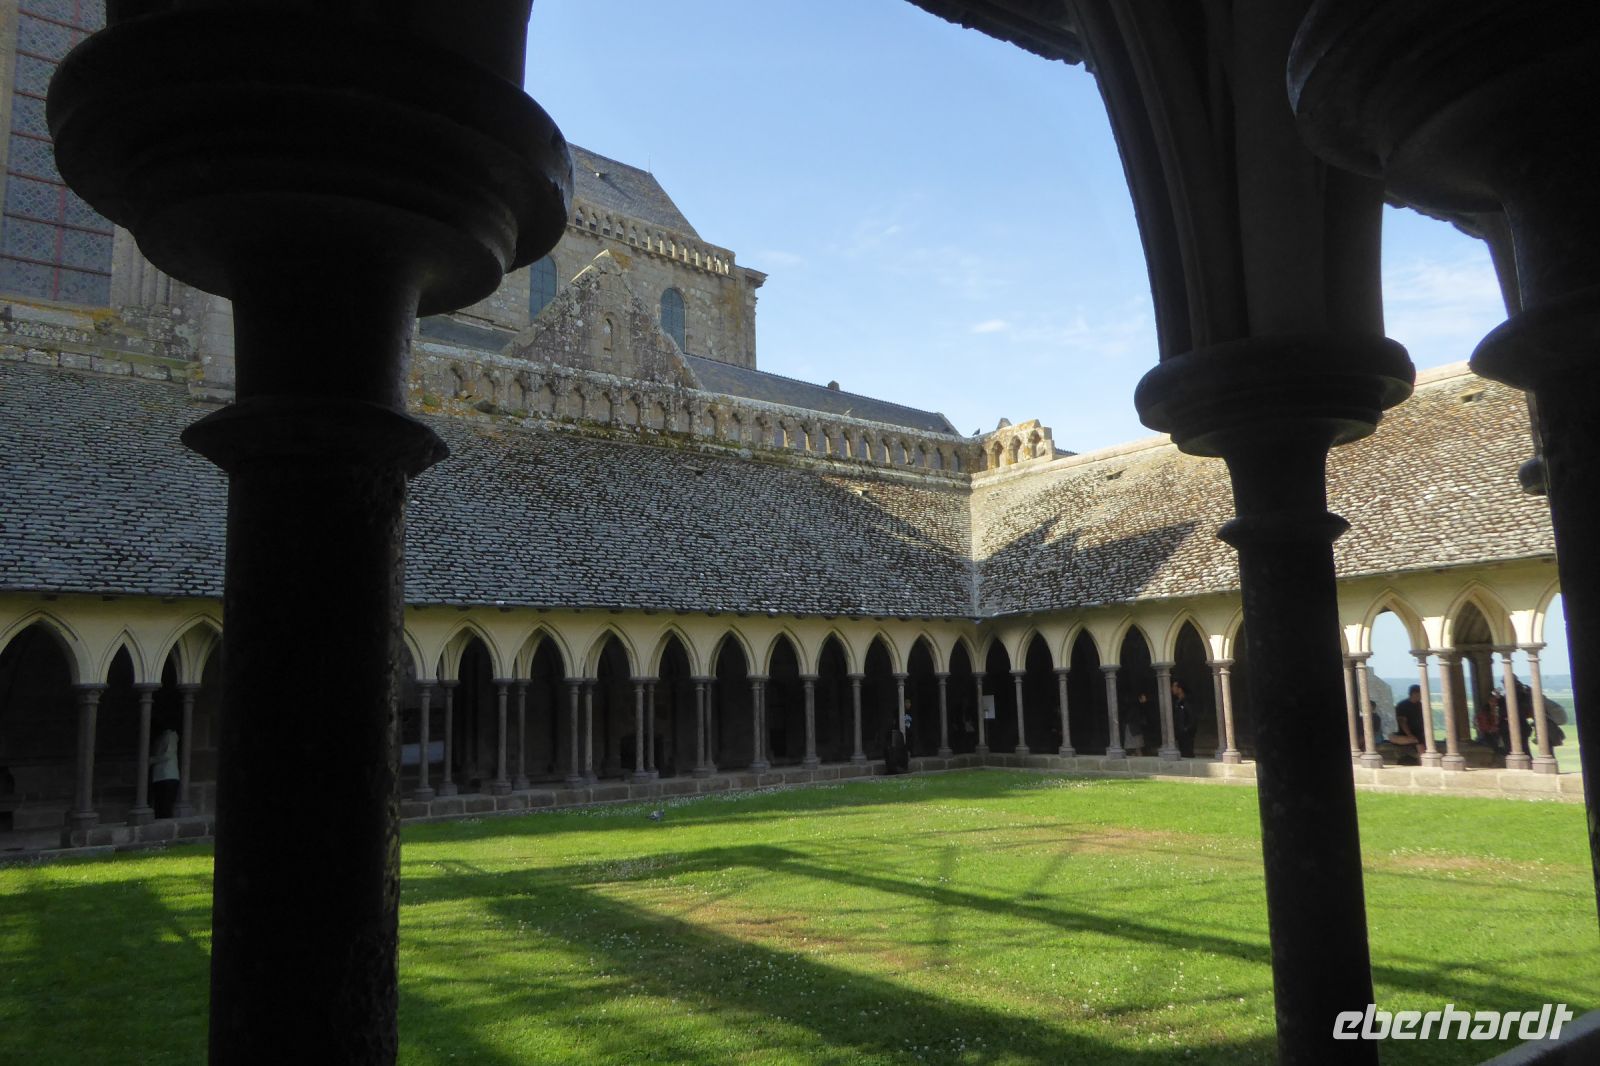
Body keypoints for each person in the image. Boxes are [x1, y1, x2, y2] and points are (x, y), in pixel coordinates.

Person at [1389, 685, 1427, 763]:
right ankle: (1423, 763)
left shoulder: (1420, 705)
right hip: (1406, 734)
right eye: (1420, 694)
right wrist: (1409, 735)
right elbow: (1402, 721)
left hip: (1418, 733)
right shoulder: (1403, 705)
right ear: (1414, 693)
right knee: (1419, 743)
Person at [150, 726, 180, 819]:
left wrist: (151, 760)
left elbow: (168, 754)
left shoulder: (170, 735)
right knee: (159, 808)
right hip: (159, 777)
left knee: (165, 808)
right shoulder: (160, 737)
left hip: (168, 776)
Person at [1171, 679, 1195, 758]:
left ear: (1180, 689)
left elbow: (1191, 716)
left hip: (1186, 733)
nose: (1172, 688)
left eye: (1174, 686)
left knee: (1187, 753)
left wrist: (1186, 728)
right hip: (1180, 733)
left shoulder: (1186, 702)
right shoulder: (1177, 702)